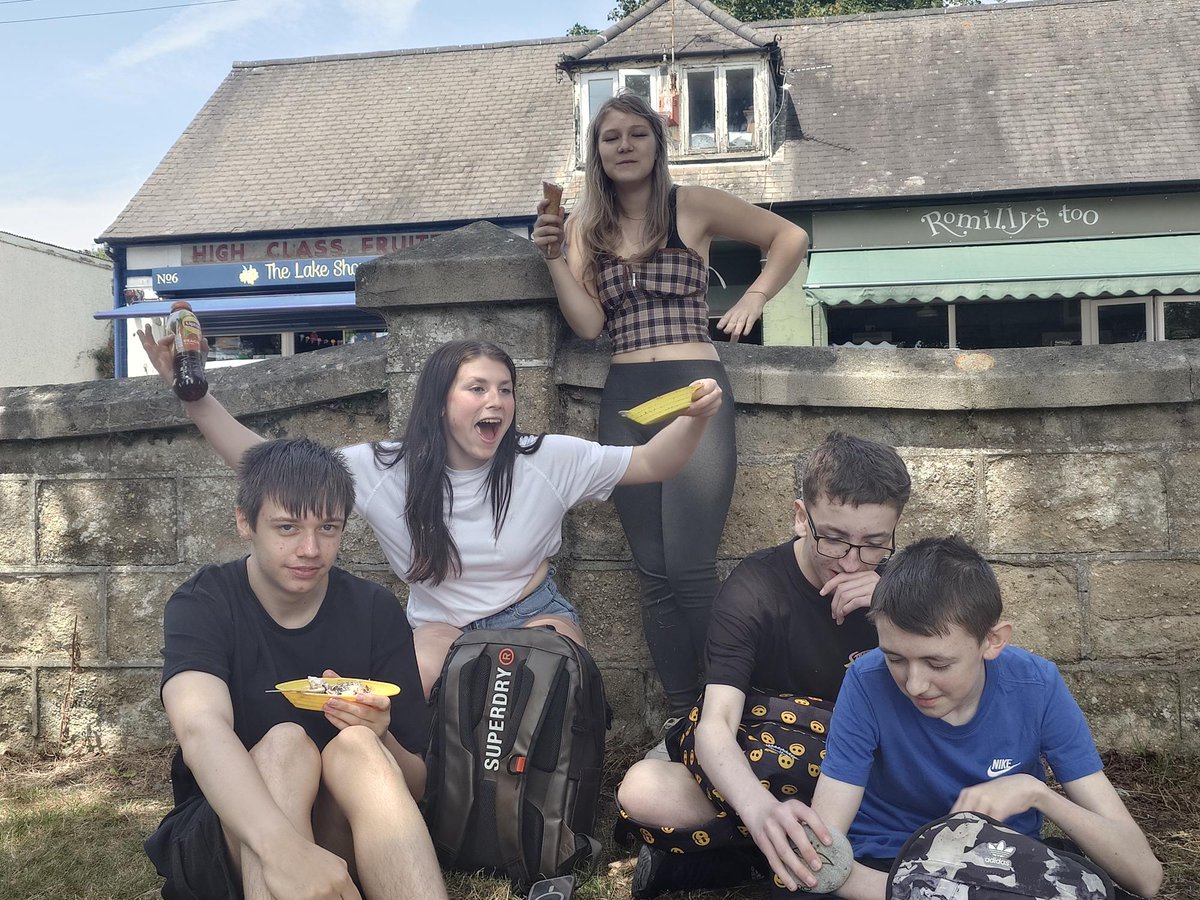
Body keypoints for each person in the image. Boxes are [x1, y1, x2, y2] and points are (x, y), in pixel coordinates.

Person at [137, 334, 722, 697]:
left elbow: (650, 462)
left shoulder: (549, 458)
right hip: (437, 622)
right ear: (440, 402)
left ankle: (542, 808)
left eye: (504, 389)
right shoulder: (382, 467)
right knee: (399, 693)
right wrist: (194, 397)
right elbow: (259, 463)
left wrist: (693, 418)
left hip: (533, 609)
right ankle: (429, 801)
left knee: (555, 675)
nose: (495, 401)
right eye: (476, 389)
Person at [532, 93, 810, 725]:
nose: (624, 146)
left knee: (688, 565)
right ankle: (684, 724)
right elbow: (587, 325)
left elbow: (789, 236)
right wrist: (552, 256)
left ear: (657, 144)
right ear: (596, 152)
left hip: (694, 390)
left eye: (637, 134)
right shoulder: (583, 226)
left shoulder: (693, 205)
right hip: (626, 397)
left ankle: (732, 717)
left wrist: (755, 299)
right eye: (610, 138)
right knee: (653, 574)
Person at [143, 438, 447, 900]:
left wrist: (381, 734)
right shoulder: (204, 602)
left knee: (359, 748)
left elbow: (417, 784)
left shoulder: (374, 610)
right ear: (246, 521)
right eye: (287, 527)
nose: (310, 549)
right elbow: (201, 728)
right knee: (286, 746)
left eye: (328, 527)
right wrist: (283, 851)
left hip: (339, 833)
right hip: (233, 833)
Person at [613, 432, 912, 897]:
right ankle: (781, 846)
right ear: (800, 517)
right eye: (833, 539)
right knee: (644, 788)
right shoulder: (754, 590)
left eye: (874, 544)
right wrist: (759, 810)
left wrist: (895, 606)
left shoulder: (905, 589)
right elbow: (717, 723)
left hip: (854, 775)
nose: (852, 562)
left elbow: (941, 697)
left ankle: (727, 859)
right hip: (759, 755)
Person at [805, 536, 1163, 900]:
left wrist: (1037, 794)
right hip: (888, 862)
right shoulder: (866, 681)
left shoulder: (1036, 685)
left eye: (937, 663)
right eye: (895, 658)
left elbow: (1145, 877)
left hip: (1003, 867)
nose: (914, 684)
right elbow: (823, 856)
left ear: (992, 641)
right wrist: (934, 891)